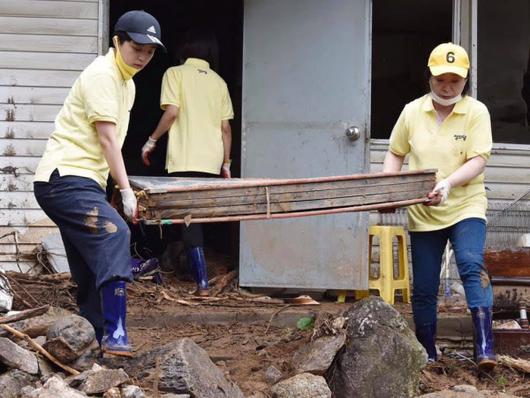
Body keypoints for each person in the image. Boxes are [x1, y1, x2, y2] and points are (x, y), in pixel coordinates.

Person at [33, 10, 165, 357]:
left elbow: (110, 148)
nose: (143, 57)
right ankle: (117, 332)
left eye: (150, 52)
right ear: (117, 42)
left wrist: (112, 189)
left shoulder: (128, 84)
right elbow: (107, 141)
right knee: (115, 233)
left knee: (91, 260)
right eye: (136, 48)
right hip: (63, 178)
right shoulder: (102, 75)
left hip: (84, 180)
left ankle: (91, 337)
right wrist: (125, 192)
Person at [382, 43, 496, 371]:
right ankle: (427, 352)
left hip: (465, 204)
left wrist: (448, 184)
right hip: (424, 209)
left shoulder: (476, 112)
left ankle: (485, 346)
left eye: (455, 81)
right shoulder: (412, 111)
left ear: (466, 81)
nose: (447, 87)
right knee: (425, 286)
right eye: (440, 80)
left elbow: (478, 160)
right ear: (429, 77)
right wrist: (389, 189)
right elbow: (395, 152)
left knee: (472, 264)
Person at [141, 29, 234, 296]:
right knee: (197, 217)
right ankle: (198, 275)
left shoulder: (175, 74)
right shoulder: (219, 82)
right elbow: (225, 128)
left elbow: (172, 112)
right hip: (212, 160)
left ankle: (202, 281)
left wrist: (151, 141)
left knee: (189, 218)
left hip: (184, 158)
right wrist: (226, 163)